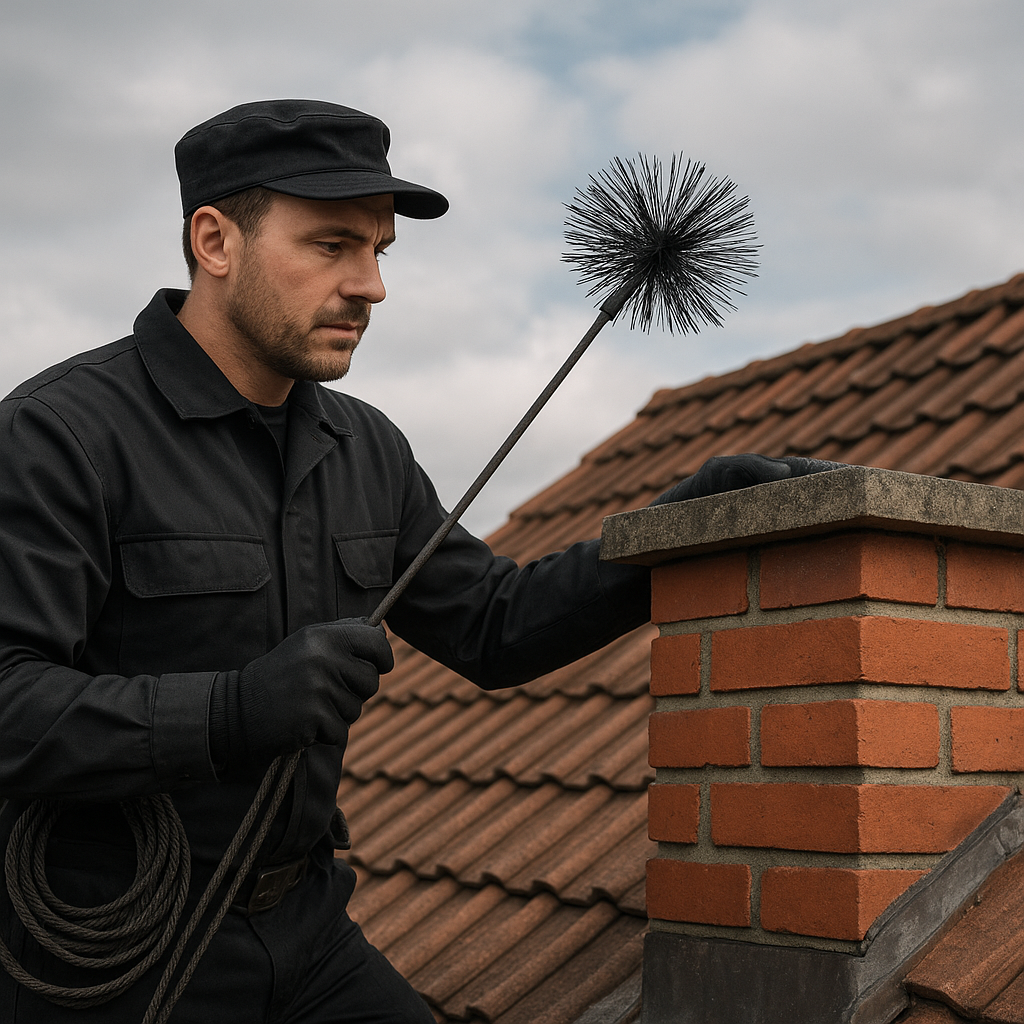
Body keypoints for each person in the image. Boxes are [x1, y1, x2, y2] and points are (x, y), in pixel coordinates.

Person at [0, 99, 835, 1023]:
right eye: (331, 246)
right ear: (213, 240)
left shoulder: (368, 449)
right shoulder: (62, 434)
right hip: (111, 948)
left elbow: (496, 626)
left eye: (379, 250)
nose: (371, 286)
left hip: (307, 928)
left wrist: (677, 526)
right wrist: (232, 710)